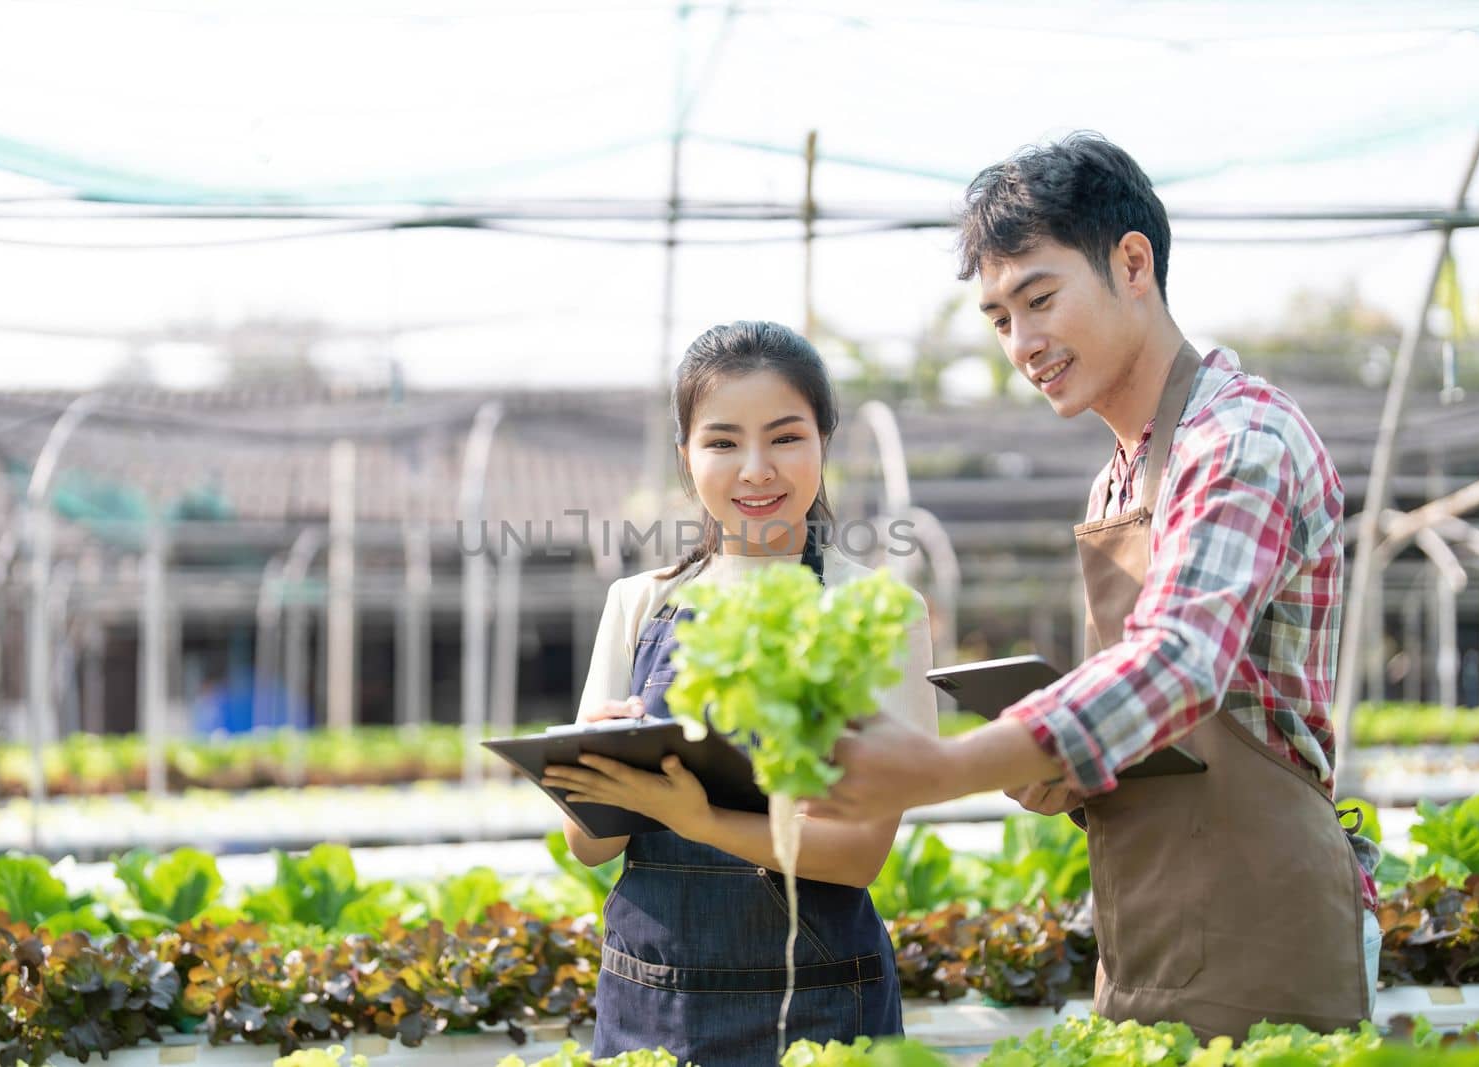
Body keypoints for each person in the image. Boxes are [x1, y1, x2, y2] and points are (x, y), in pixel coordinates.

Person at [808, 134, 1381, 1040]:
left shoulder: (1240, 439)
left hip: (1267, 927)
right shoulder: (1118, 477)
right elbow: (1148, 726)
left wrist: (954, 763)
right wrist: (1055, 778)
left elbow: (1180, 664)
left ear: (1133, 262)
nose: (1023, 343)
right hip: (1146, 932)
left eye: (1040, 298)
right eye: (999, 318)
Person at [542, 320, 938, 1066]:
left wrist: (696, 815)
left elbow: (858, 856)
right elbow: (590, 845)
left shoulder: (879, 610)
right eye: (723, 442)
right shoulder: (640, 602)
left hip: (821, 1001)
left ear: (824, 442)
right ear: (688, 461)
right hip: (650, 996)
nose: (756, 469)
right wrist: (594, 771)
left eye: (786, 437)